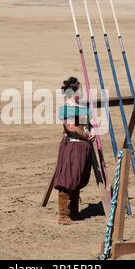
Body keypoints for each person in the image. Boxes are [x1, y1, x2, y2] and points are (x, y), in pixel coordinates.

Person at [54, 77, 95, 225]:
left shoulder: (82, 107)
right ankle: (63, 216)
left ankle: (74, 212)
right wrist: (86, 135)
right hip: (72, 146)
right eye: (80, 89)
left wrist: (92, 131)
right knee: (67, 179)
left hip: (82, 147)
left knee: (78, 178)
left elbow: (88, 125)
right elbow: (70, 127)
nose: (82, 92)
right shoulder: (67, 108)